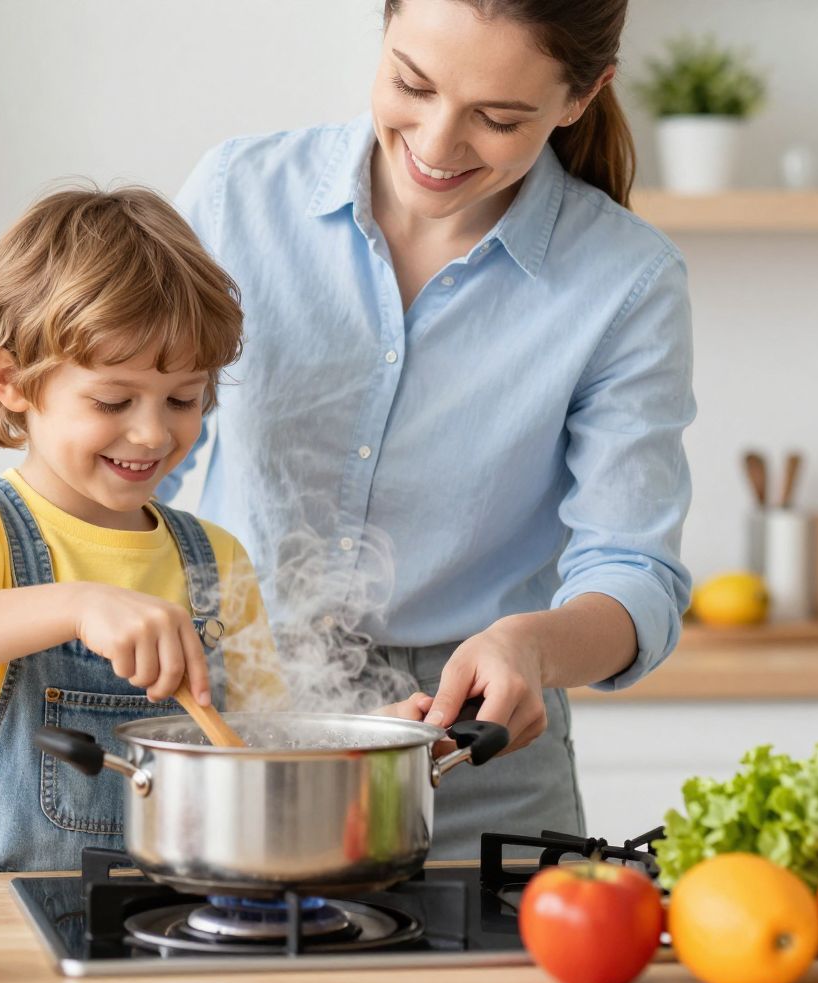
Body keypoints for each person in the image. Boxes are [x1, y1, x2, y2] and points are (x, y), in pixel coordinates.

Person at [161, 0, 695, 859]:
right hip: (240, 725)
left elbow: (635, 572)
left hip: (474, 749)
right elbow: (125, 460)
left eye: (499, 118)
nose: (438, 144)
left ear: (581, 97)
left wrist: (531, 647)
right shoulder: (238, 198)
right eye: (412, 84)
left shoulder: (627, 283)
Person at [0, 185, 410, 873]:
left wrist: (371, 741)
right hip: (3, 911)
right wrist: (76, 605)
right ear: (12, 382)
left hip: (176, 907)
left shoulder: (216, 560)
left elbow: (255, 746)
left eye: (183, 398)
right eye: (114, 401)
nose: (152, 433)